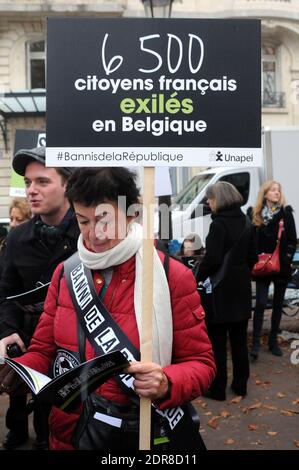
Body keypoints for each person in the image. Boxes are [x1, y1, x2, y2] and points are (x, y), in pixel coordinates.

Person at [0, 167, 215, 450]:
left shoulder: (170, 275)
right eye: (83, 221)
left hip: (138, 436)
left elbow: (202, 364)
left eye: (105, 220)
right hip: (69, 434)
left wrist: (166, 383)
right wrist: (17, 371)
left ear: (131, 213)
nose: (93, 234)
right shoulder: (65, 273)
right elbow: (43, 349)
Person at [0, 146, 80, 450]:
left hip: (73, 344)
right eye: (28, 182)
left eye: (42, 182)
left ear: (66, 186)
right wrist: (8, 331)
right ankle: (18, 431)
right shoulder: (18, 239)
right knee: (18, 392)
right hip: (26, 336)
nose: (31, 190)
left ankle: (46, 438)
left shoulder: (89, 234)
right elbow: (5, 292)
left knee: (55, 404)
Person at [195, 182, 257, 401]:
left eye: (210, 200)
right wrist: (241, 272)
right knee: (239, 340)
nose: (209, 204)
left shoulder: (218, 225)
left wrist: (198, 275)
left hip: (220, 291)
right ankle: (240, 385)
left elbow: (212, 259)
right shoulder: (246, 221)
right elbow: (253, 257)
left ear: (218, 199)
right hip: (241, 286)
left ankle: (218, 388)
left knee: (217, 341)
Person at [249, 180, 297, 359]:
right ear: (265, 193)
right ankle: (255, 344)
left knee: (277, 304)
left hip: (281, 267)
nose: (277, 193)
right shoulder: (255, 214)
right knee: (260, 304)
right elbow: (250, 240)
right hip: (261, 266)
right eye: (273, 190)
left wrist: (287, 258)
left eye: (278, 190)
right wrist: (254, 258)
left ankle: (272, 341)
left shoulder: (286, 213)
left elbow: (292, 239)